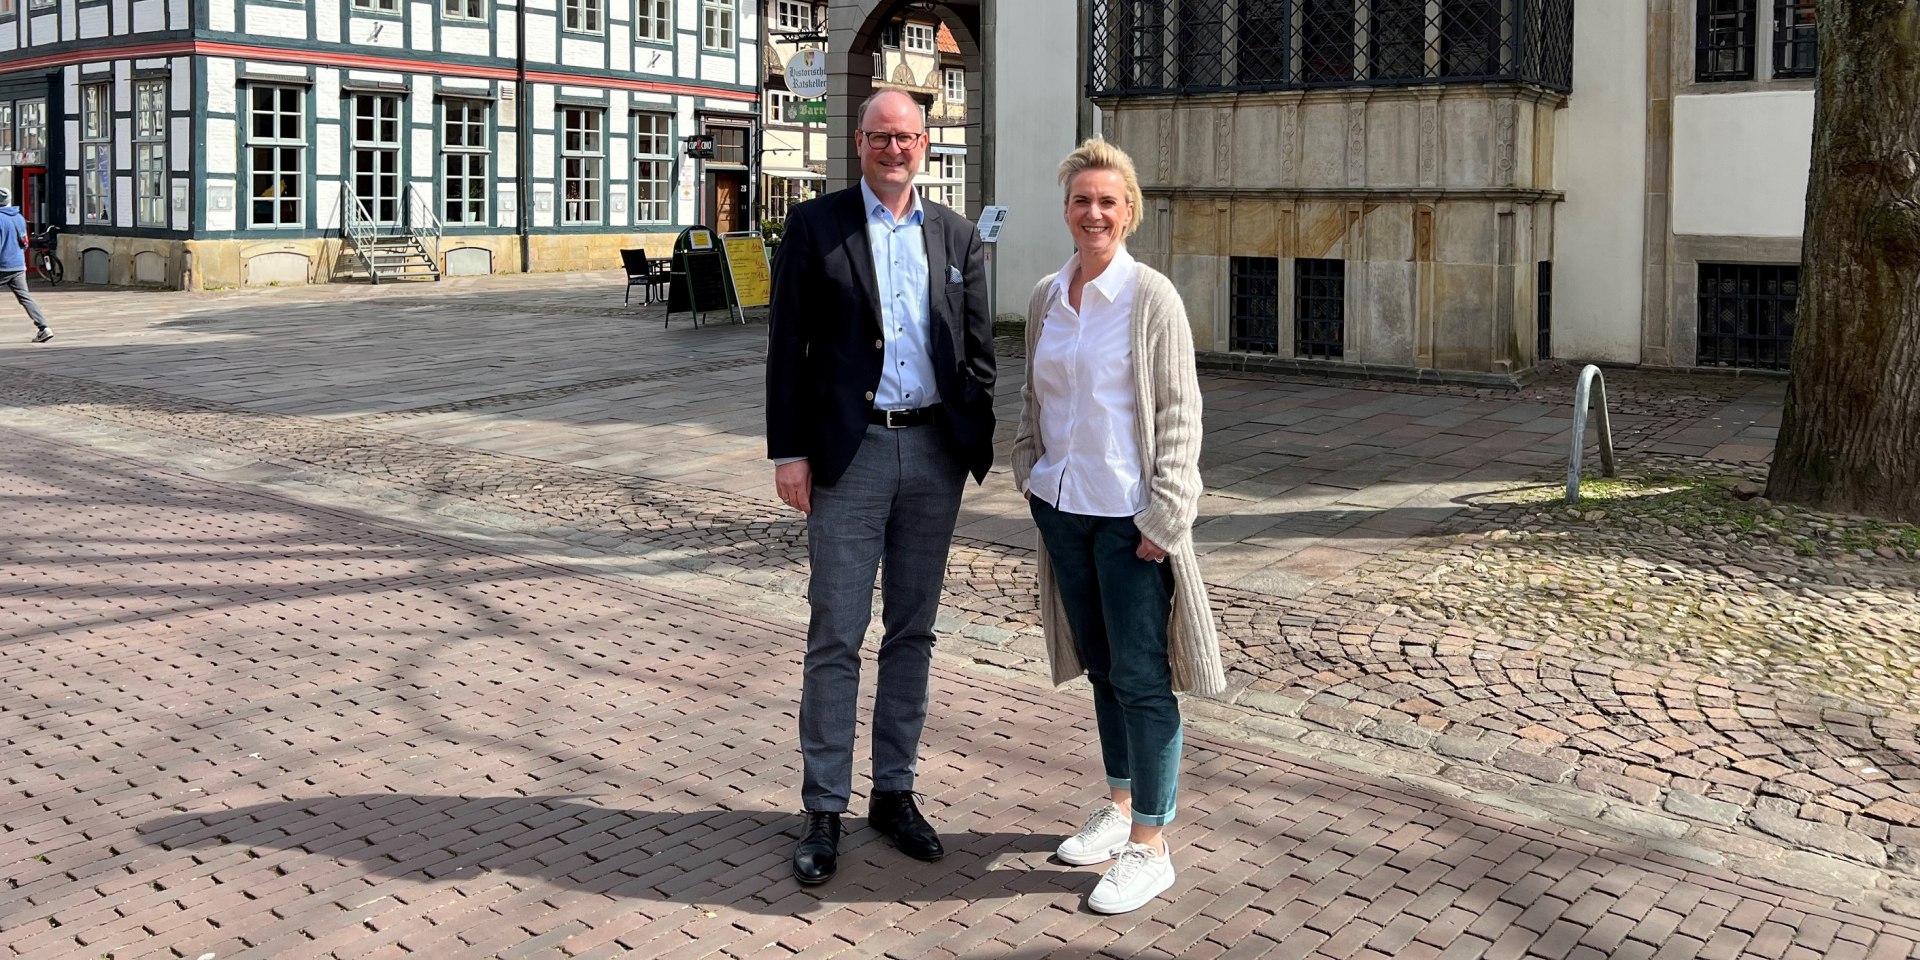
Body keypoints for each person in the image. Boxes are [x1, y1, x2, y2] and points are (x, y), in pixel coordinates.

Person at [764, 89, 996, 886]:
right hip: (848, 456)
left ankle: (893, 793)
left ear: (926, 144)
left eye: (907, 137)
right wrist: (788, 452)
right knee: (836, 631)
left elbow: (976, 348)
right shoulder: (816, 225)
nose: (895, 149)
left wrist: (975, 434)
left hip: (933, 454)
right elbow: (785, 347)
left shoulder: (957, 234)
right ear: (858, 142)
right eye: (880, 137)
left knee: (913, 633)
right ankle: (823, 804)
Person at [1010, 138, 1227, 915]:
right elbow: (1036, 400)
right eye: (1081, 201)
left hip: (1132, 519)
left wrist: (1168, 513)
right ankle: (1118, 802)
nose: (1094, 213)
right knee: (1101, 667)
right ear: (1067, 211)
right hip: (1064, 508)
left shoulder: (1151, 298)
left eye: (1108, 201)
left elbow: (1180, 413)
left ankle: (1151, 844)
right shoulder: (1046, 297)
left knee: (1141, 677)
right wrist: (1030, 472)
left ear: (1129, 211)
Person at [0, 189, 52, 344]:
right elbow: (24, 242)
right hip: (18, 264)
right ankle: (44, 328)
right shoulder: (19, 217)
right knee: (25, 297)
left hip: (2, 265)